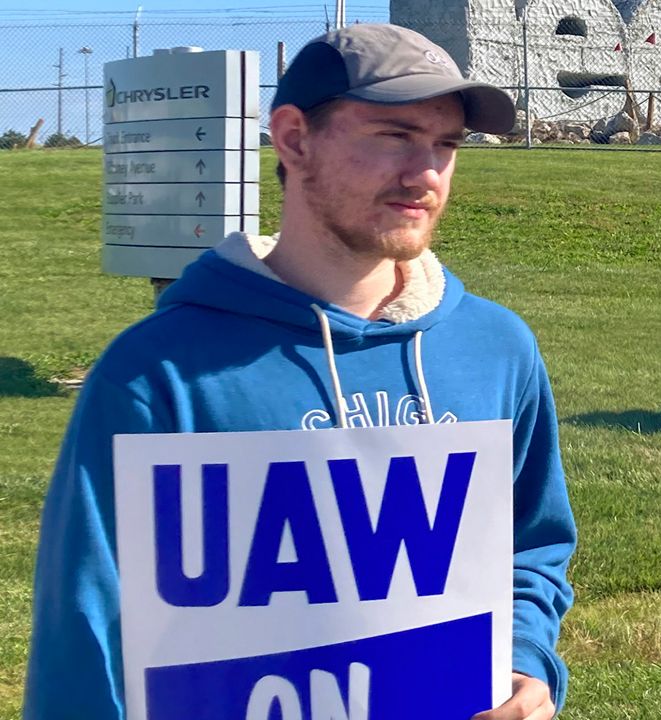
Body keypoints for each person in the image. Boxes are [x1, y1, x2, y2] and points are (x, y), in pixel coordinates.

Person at [24, 23, 576, 720]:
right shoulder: (158, 374)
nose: (426, 172)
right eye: (394, 135)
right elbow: (86, 636)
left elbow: (532, 546)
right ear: (292, 139)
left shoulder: (495, 349)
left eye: (446, 144)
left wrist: (526, 660)